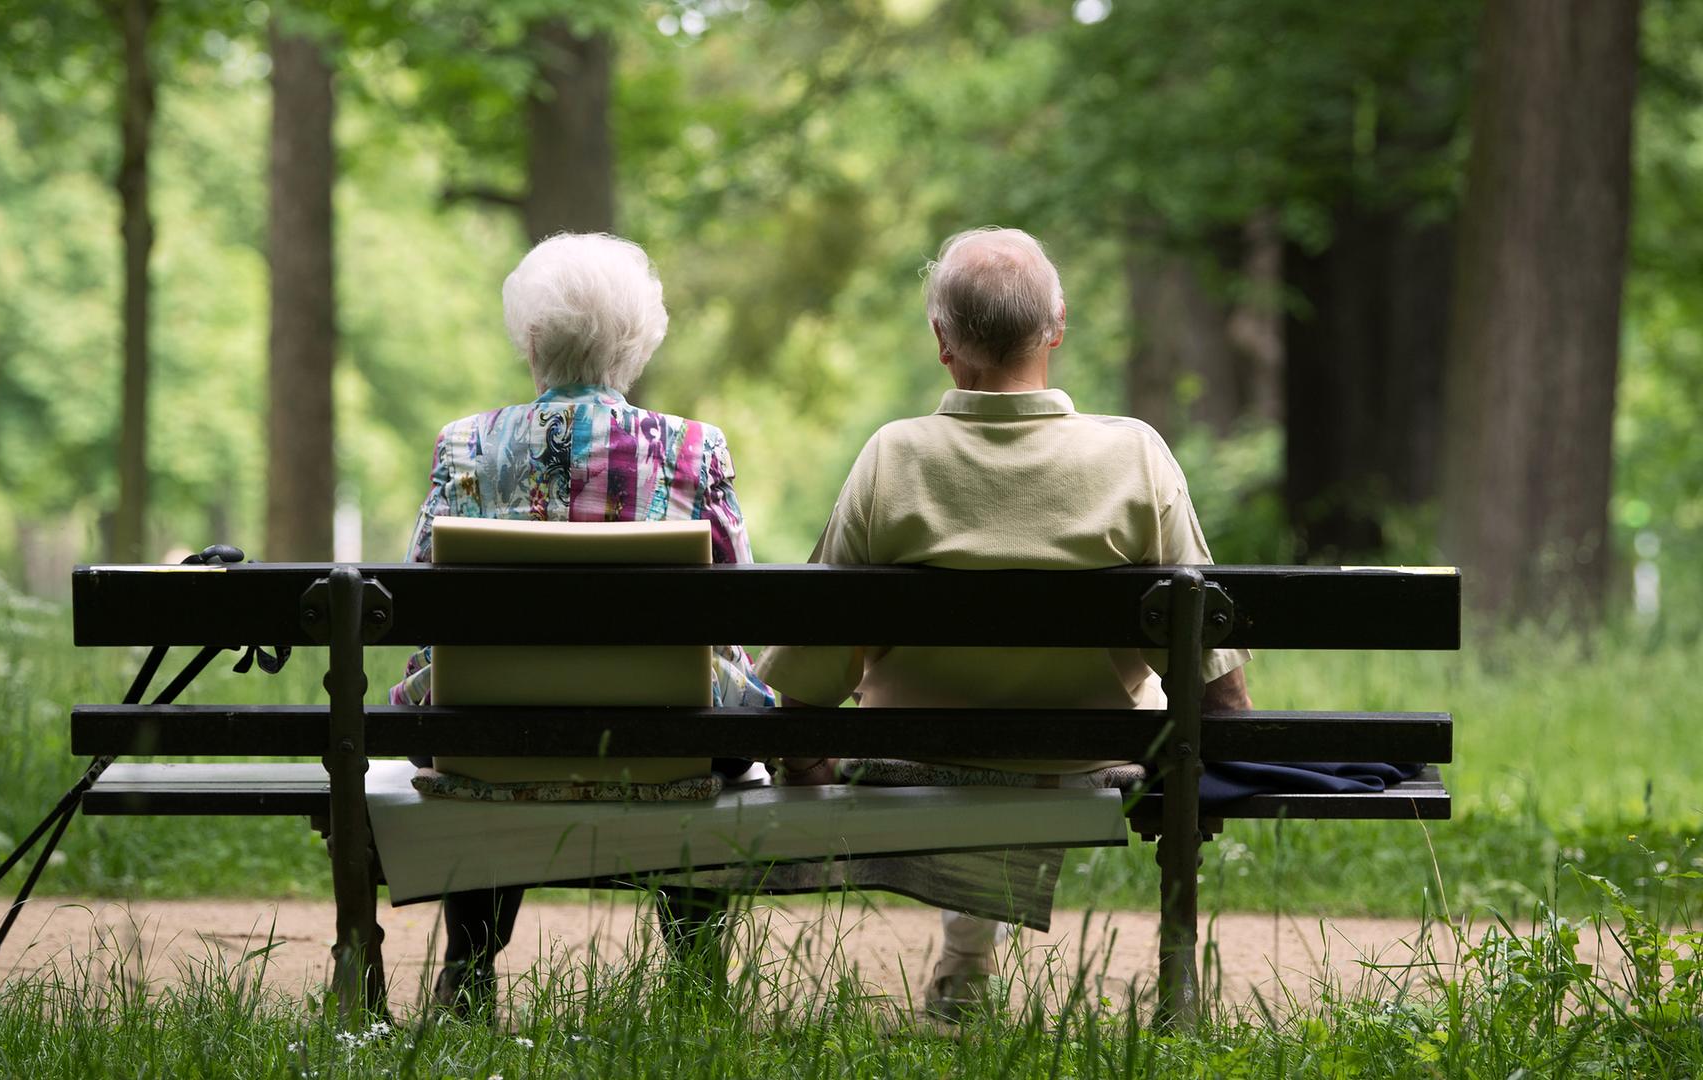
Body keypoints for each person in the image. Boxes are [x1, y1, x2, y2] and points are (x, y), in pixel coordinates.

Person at [754, 226, 1252, 1020]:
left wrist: (805, 755)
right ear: (1056, 326)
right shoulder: (1136, 457)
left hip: (916, 755)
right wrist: (1211, 757)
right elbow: (1212, 667)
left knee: (963, 726)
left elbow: (814, 658)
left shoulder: (894, 457)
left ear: (942, 343)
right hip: (1092, 755)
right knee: (1101, 718)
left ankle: (963, 970)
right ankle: (1172, 981)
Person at [390, 232, 774, 1013]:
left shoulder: (465, 445)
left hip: (484, 734)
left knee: (472, 715)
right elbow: (739, 601)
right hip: (672, 740)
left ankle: (469, 965)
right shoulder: (696, 450)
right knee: (713, 705)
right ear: (636, 347)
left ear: (530, 342)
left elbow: (417, 603)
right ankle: (695, 971)